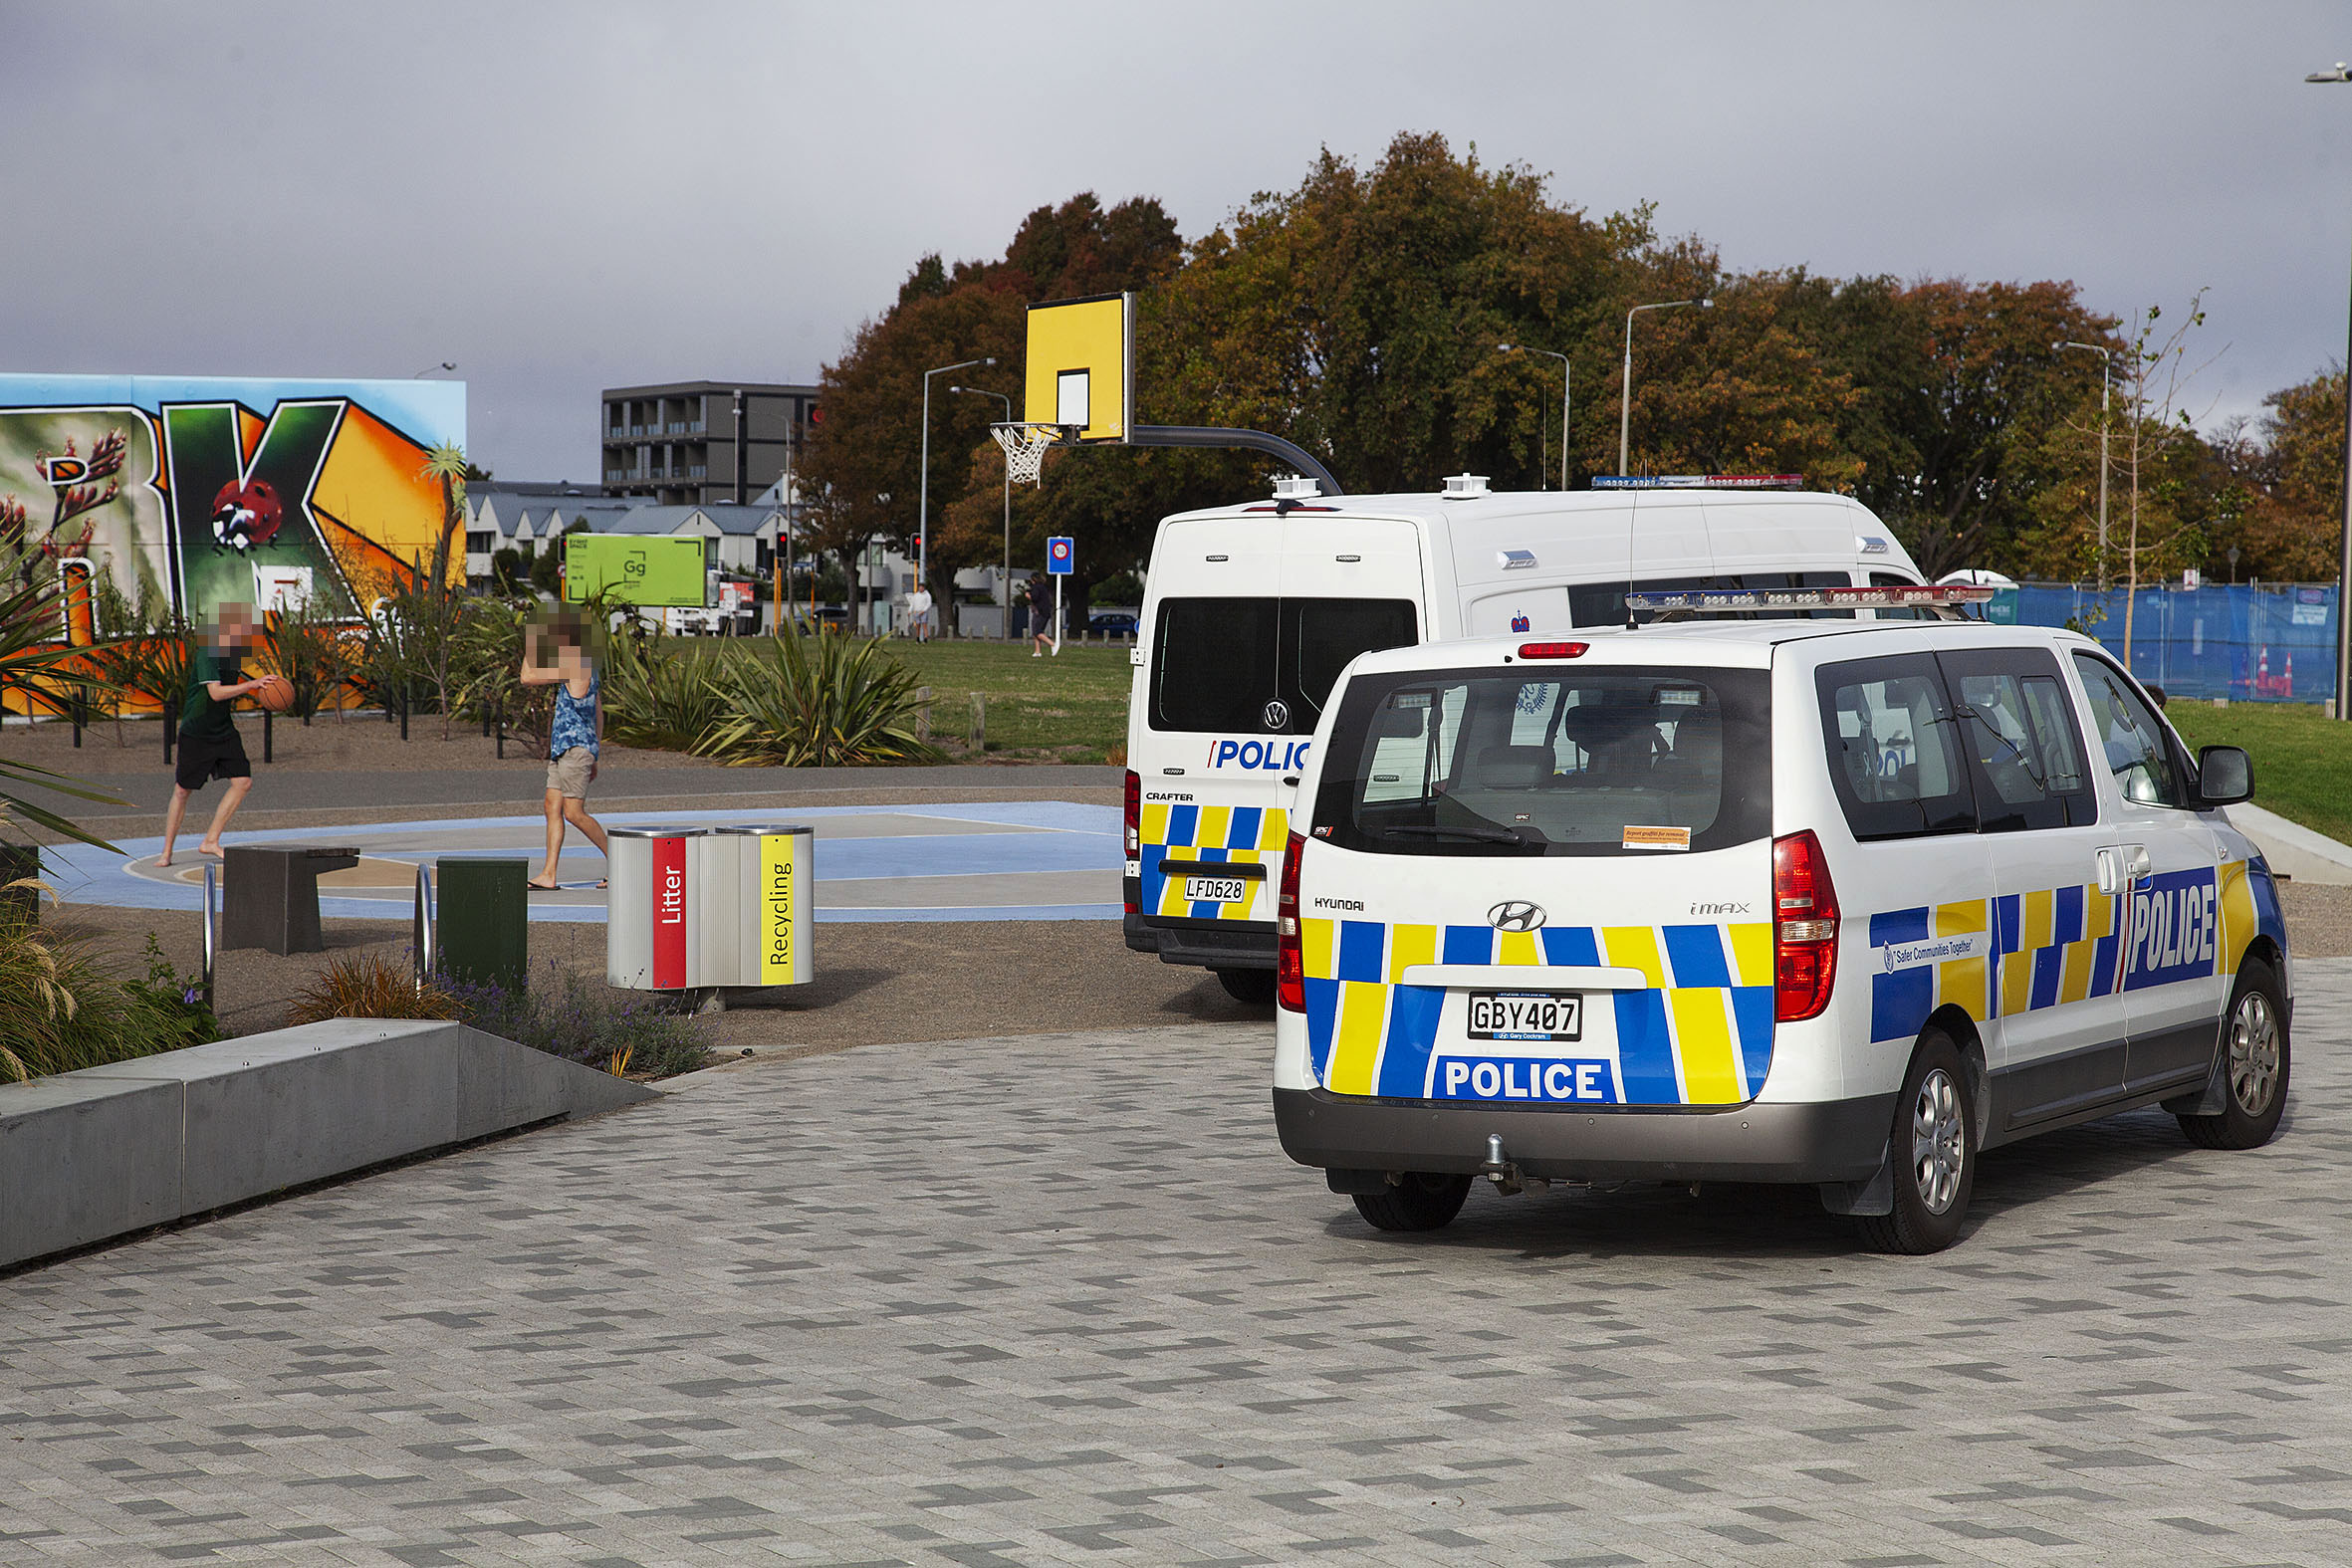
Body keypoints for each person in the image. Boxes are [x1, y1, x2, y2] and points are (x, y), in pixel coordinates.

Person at [158, 601, 266, 868]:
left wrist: (265, 686)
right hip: (197, 731)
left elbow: (238, 688)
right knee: (183, 791)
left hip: (223, 729)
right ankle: (166, 852)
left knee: (242, 782)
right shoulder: (208, 653)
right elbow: (216, 693)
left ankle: (210, 841)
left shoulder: (234, 656)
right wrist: (252, 685)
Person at [519, 608, 610, 891]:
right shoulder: (584, 664)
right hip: (566, 748)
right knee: (552, 806)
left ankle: (622, 863)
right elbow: (598, 711)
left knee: (573, 812)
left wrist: (532, 643)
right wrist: (594, 751)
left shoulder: (574, 664)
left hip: (574, 748)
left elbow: (527, 676)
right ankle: (549, 873)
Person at [1027, 572, 1057, 658]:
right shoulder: (1043, 587)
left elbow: (1035, 598)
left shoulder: (1036, 587)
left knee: (1037, 631)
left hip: (1039, 612)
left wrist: (1028, 596)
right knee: (1037, 631)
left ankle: (1052, 644)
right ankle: (1037, 651)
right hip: (1045, 612)